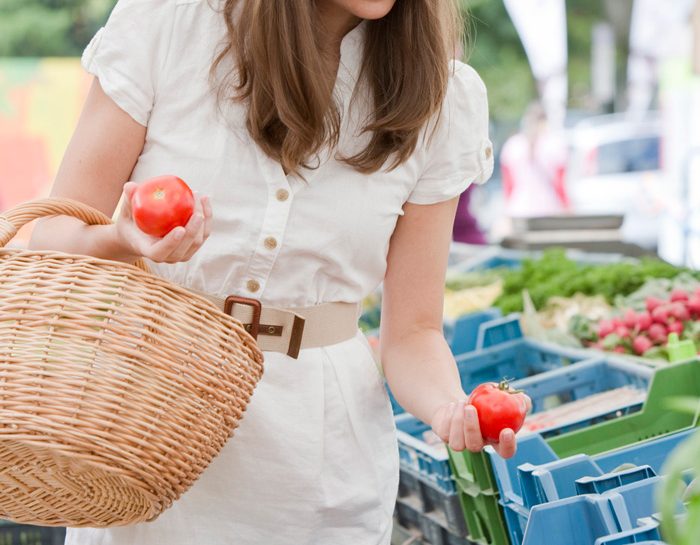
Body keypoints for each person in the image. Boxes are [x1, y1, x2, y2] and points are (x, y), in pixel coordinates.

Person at [29, 1, 530, 543]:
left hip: (316, 460)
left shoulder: (442, 97)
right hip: (147, 421)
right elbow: (51, 241)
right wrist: (120, 237)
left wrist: (450, 408)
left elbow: (413, 334)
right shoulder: (170, 23)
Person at [500, 102, 569, 219]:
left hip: (518, 210)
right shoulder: (556, 145)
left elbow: (508, 187)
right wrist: (567, 208)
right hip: (549, 210)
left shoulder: (512, 146)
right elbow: (560, 185)